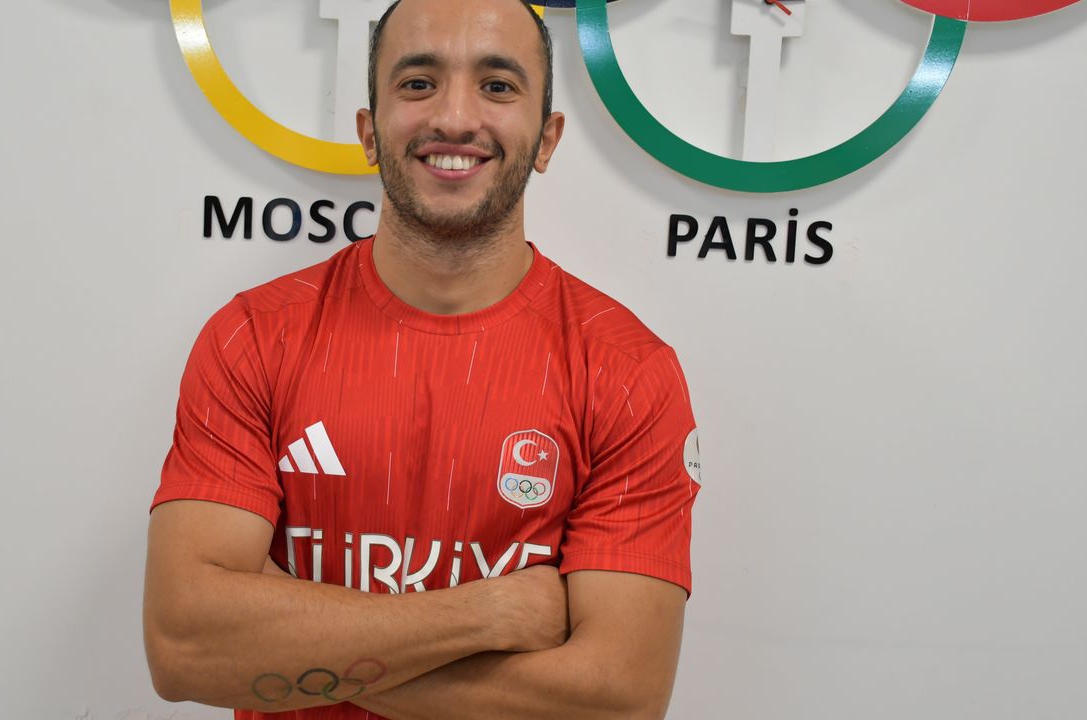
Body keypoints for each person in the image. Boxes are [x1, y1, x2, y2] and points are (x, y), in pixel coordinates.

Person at [143, 0, 701, 717]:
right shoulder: (253, 338)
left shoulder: (626, 372)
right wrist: (485, 615)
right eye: (417, 83)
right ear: (368, 133)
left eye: (497, 85)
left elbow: (618, 699)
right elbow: (186, 646)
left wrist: (286, 645)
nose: (455, 118)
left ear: (547, 139)